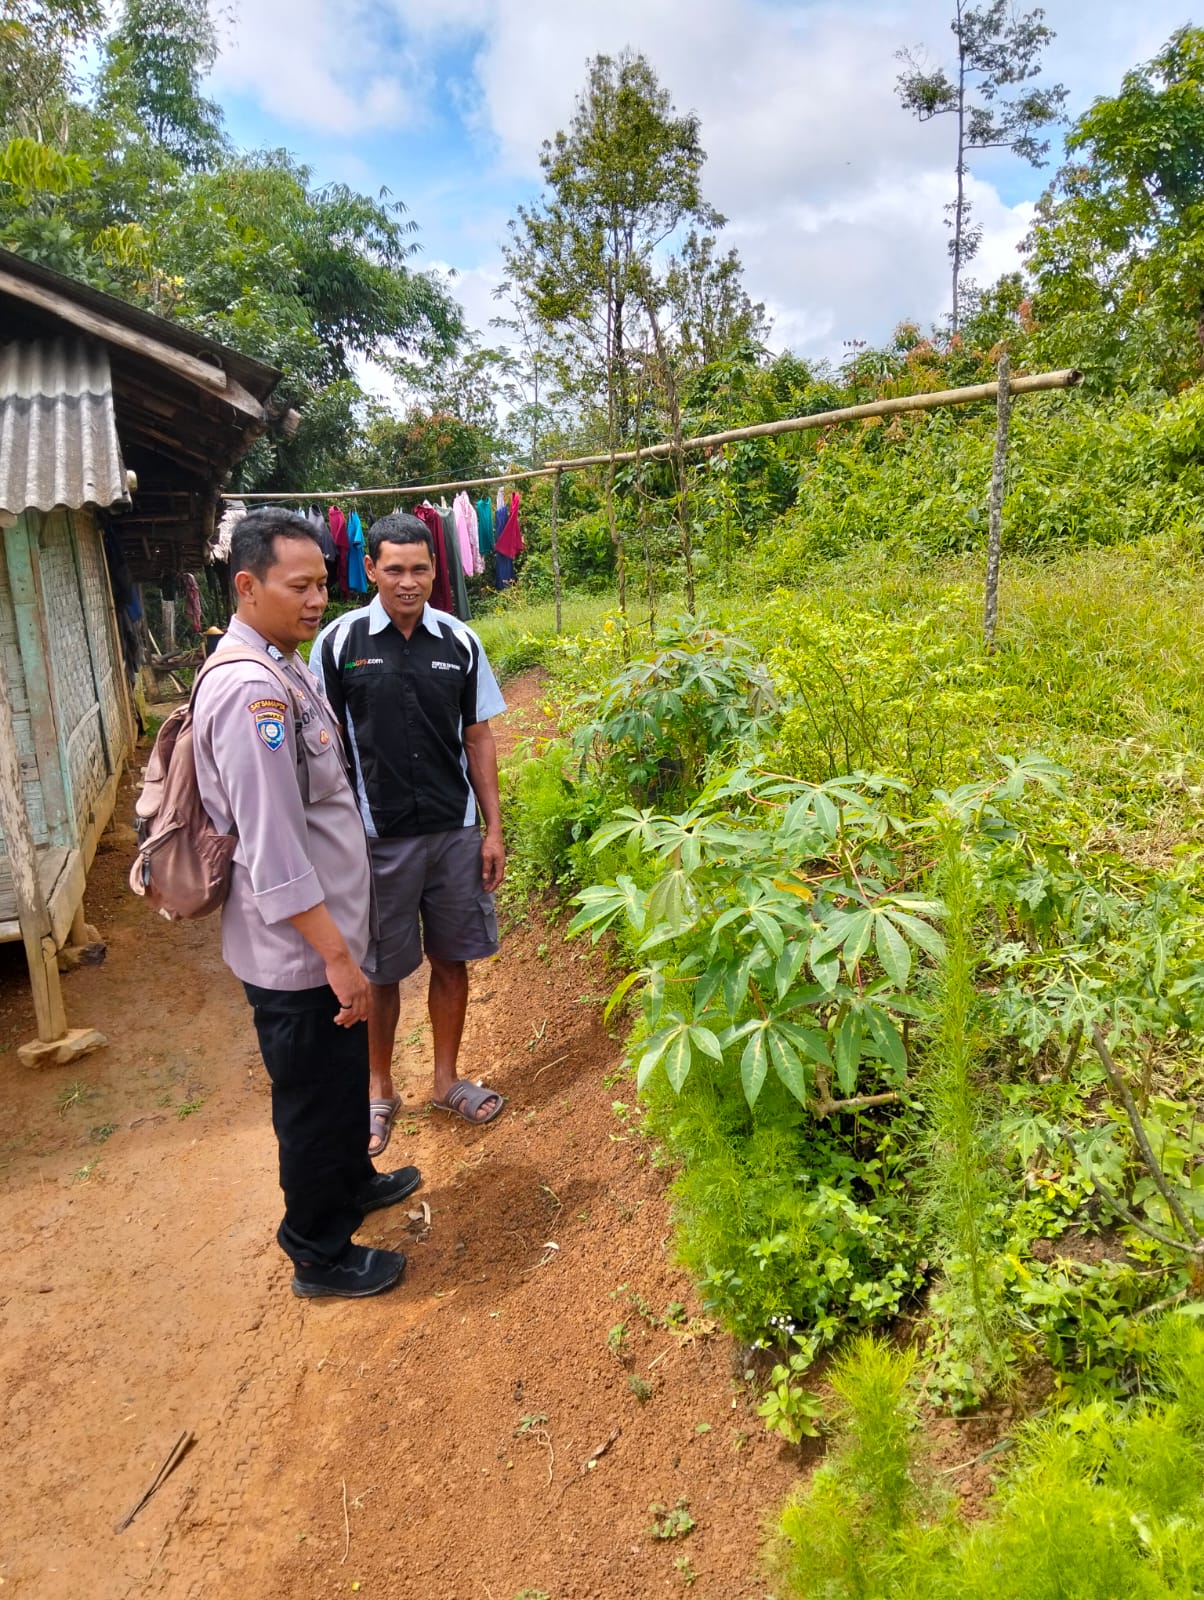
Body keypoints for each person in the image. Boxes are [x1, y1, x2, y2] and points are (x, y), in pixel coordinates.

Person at [191, 507, 421, 1299]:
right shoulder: (250, 692)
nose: (319, 598)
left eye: (325, 582)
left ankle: (352, 1183)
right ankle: (317, 1252)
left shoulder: (283, 663)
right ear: (248, 586)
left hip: (327, 940)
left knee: (340, 1076)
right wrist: (336, 959)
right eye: (301, 585)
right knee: (314, 1101)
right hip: (299, 956)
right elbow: (274, 849)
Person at [311, 512, 507, 1158]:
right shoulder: (339, 644)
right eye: (393, 568)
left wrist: (492, 829)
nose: (407, 581)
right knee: (382, 970)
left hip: (453, 833)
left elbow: (478, 738)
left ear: (434, 571)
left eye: (420, 569)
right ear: (370, 569)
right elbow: (325, 747)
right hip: (375, 841)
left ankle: (446, 1079)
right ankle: (378, 1089)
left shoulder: (460, 641)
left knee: (451, 958)